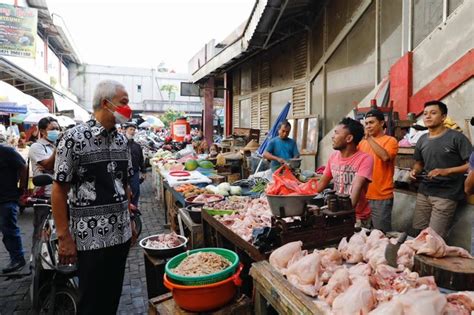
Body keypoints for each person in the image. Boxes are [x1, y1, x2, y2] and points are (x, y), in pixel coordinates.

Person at [52, 80, 136, 314]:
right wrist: (63, 237)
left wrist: (129, 218)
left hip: (120, 236)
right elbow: (59, 190)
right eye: (124, 102)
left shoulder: (122, 141)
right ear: (106, 103)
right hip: (91, 239)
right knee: (91, 302)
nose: (128, 108)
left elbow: (124, 184)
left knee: (111, 297)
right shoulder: (73, 138)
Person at [410, 101, 471, 239]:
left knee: (434, 238)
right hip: (424, 191)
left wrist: (446, 171)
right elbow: (419, 163)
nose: (428, 117)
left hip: (446, 194)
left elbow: (471, 164)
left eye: (433, 113)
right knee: (418, 233)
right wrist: (415, 171)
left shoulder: (457, 137)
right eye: (425, 114)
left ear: (443, 117)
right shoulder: (422, 139)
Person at [317, 117, 374, 228]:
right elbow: (321, 184)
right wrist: (298, 195)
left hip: (357, 218)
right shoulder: (333, 157)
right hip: (337, 214)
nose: (333, 137)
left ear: (349, 138)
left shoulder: (365, 159)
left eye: (337, 133)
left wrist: (339, 214)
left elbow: (355, 189)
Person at [358, 109, 398, 232]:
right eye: (366, 123)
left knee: (381, 235)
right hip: (363, 196)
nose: (368, 126)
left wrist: (369, 139)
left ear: (381, 123)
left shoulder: (391, 140)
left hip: (381, 196)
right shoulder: (361, 143)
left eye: (371, 122)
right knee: (363, 234)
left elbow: (385, 157)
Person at [0, 133, 28, 273]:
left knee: (9, 230)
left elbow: (23, 166)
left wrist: (22, 188)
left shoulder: (6, 152)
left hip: (7, 198)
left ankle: (17, 259)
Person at [124, 122, 146, 207]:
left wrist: (143, 171)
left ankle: (134, 209)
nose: (132, 131)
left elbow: (141, 159)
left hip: (135, 173)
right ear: (125, 130)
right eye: (130, 129)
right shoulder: (120, 144)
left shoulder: (137, 146)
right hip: (123, 173)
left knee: (135, 191)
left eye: (134, 130)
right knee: (124, 193)